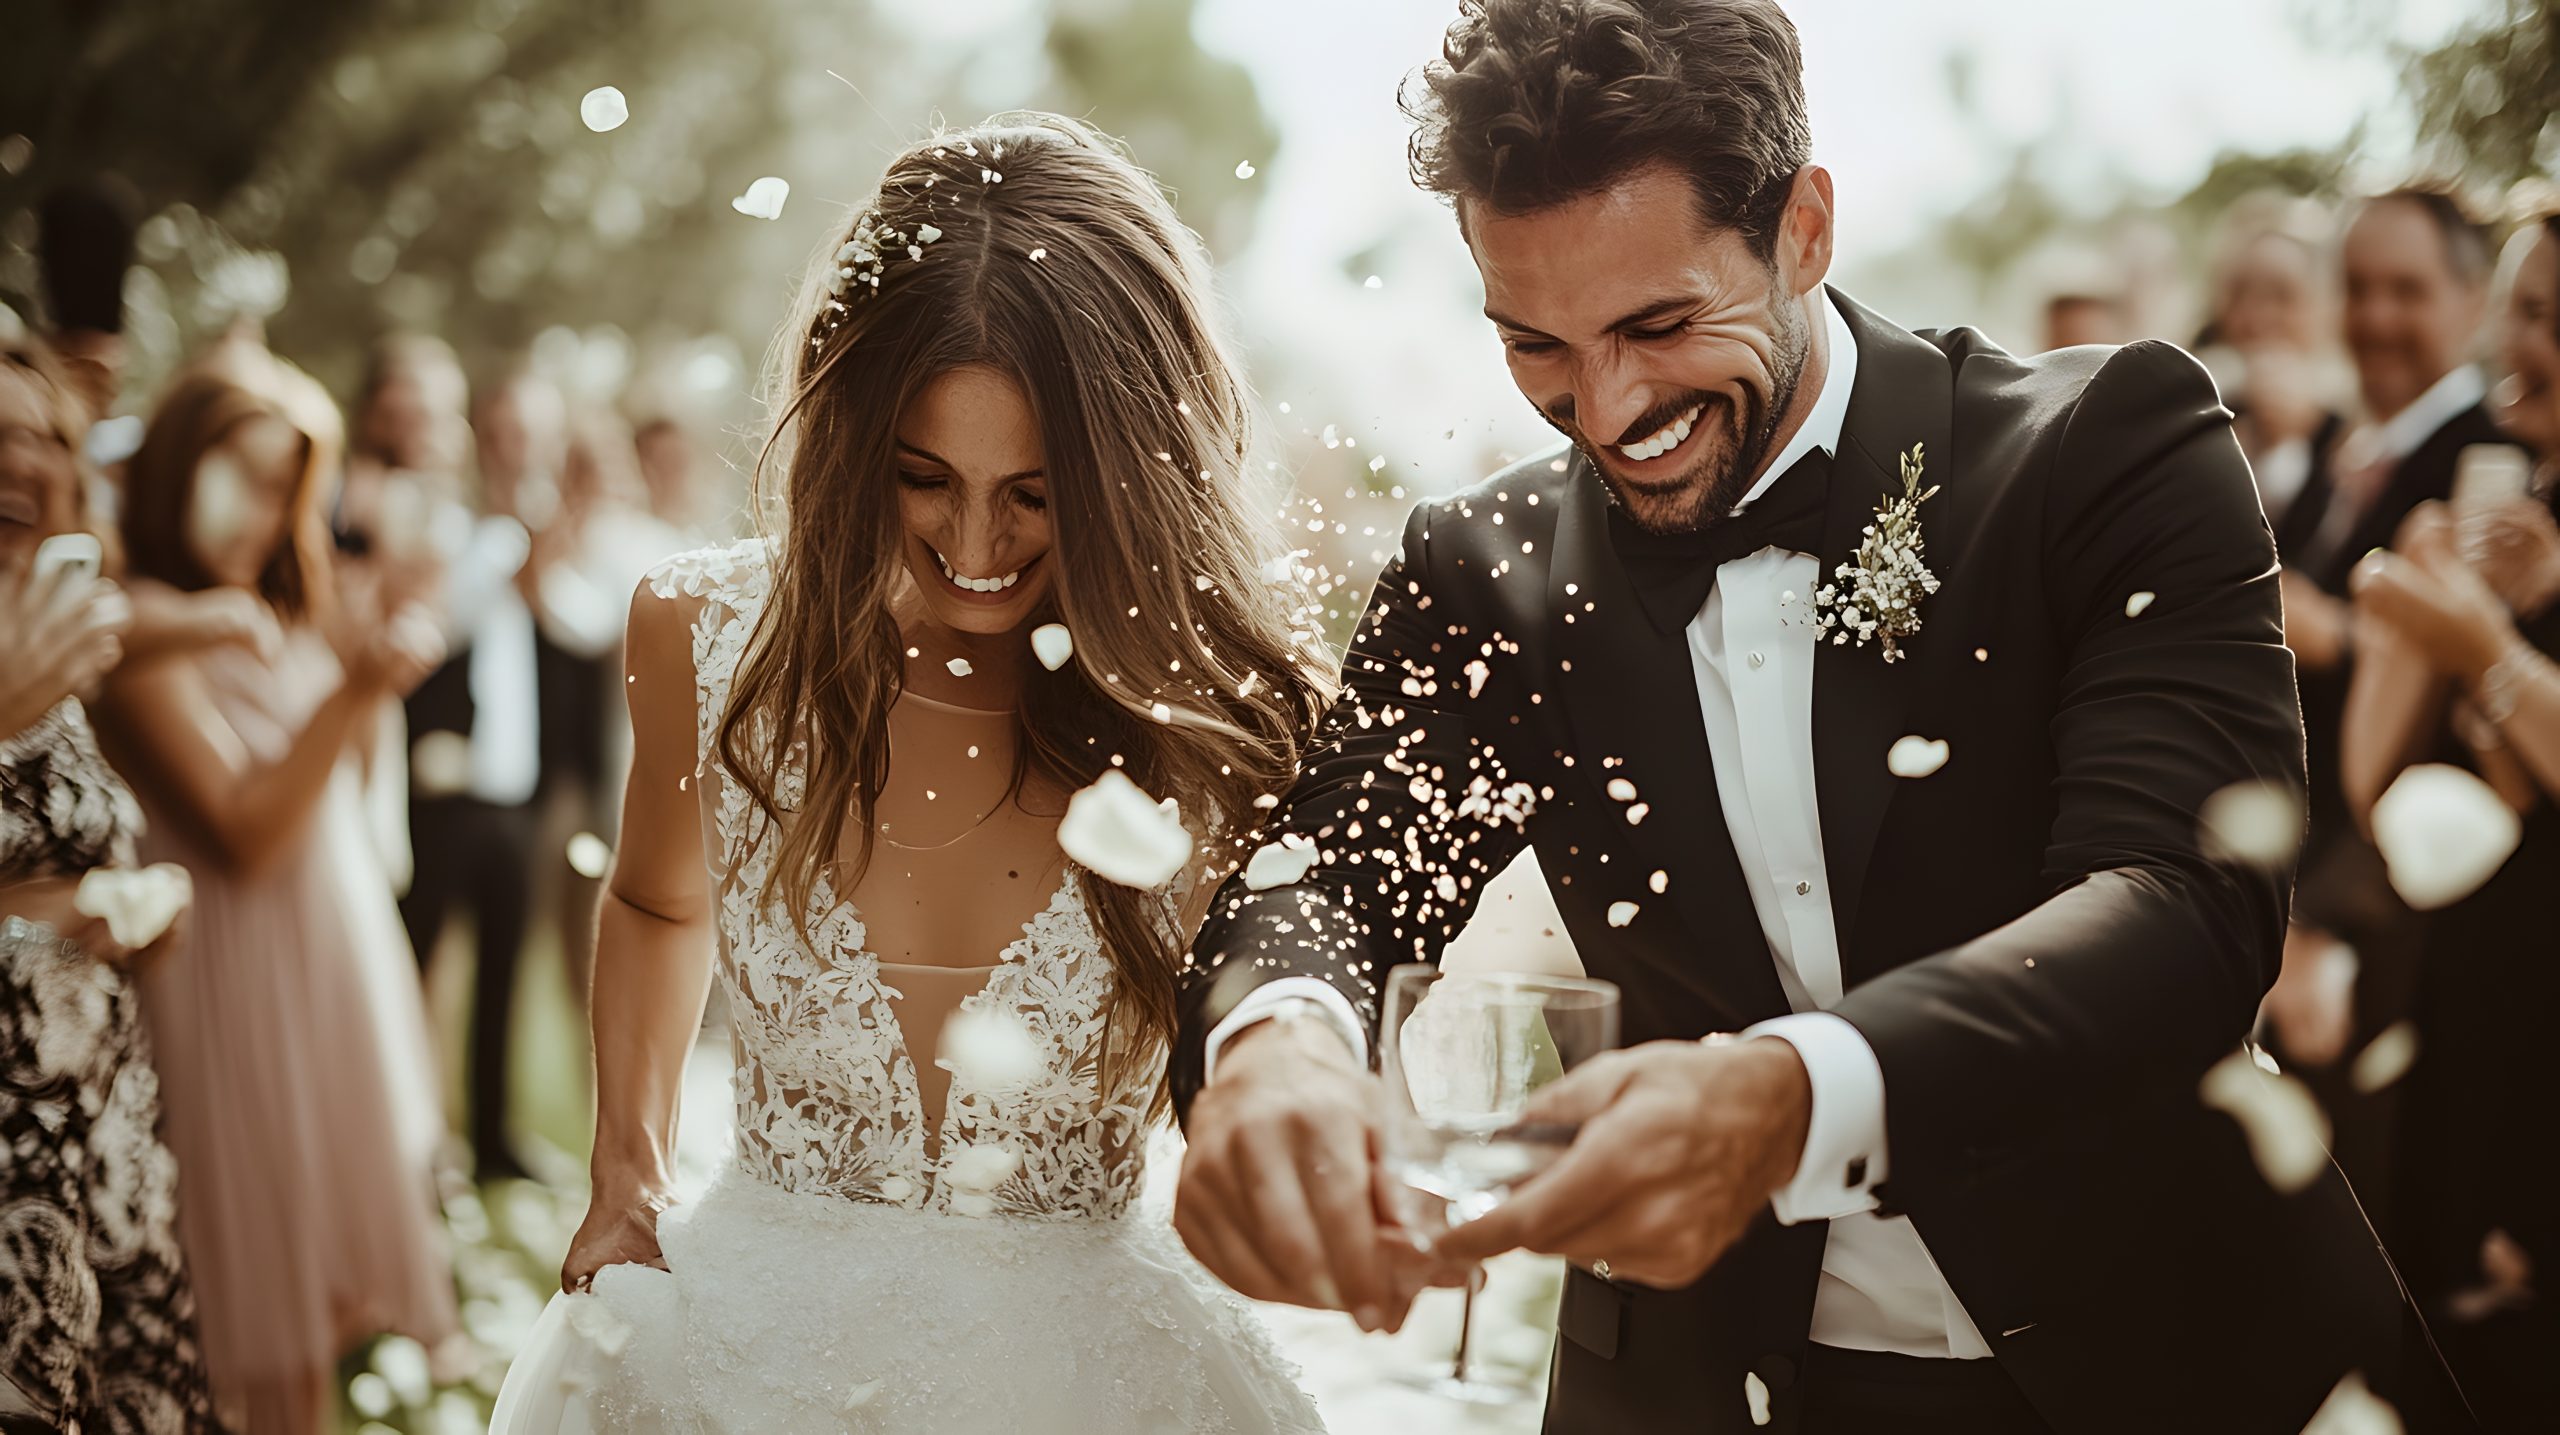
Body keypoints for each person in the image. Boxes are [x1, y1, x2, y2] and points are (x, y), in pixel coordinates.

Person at [1169, 4, 2440, 1431]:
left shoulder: (2109, 449)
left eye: (1659, 323)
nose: (1604, 407)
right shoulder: (1487, 571)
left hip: (2177, 1365)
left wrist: (1790, 1097)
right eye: (1535, 342)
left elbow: (2185, 904)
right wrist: (1279, 1042)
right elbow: (1327, 874)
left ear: (1805, 230)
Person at [489, 113, 1333, 1434]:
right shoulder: (704, 637)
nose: (979, 542)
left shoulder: (1211, 718)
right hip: (739, 1360)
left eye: (1038, 493)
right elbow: (659, 902)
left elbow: (1279, 1003)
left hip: (1098, 1382)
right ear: (851, 438)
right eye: (924, 478)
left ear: (1129, 480)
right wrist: (625, 1167)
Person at [91, 347, 458, 1435]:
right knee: (236, 1330)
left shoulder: (267, 606)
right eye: (245, 475)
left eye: (287, 491)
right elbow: (244, 827)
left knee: (312, 1333)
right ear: (178, 461)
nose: (266, 513)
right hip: (229, 993)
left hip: (320, 986)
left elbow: (338, 798)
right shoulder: (146, 627)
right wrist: (356, 687)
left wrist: (367, 665)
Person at [2340, 207, 2560, 1432]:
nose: (2504, 341)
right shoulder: (2515, 514)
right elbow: (2374, 789)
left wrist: (2487, 651)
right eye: (2510, 307)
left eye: (2538, 315)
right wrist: (2405, 631)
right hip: (2464, 993)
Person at [2260, 185, 2509, 1223]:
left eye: (2405, 290)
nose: (2374, 317)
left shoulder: (2483, 468)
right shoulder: (2334, 458)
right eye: (2357, 289)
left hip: (2389, 935)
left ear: (2470, 299)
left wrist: (2323, 924)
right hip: (2288, 914)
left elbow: (2456, 722)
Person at [0, 338, 229, 1433]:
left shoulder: (42, 617)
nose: (20, 460)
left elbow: (73, 854)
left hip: (99, 1118)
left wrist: (137, 905)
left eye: (43, 433)